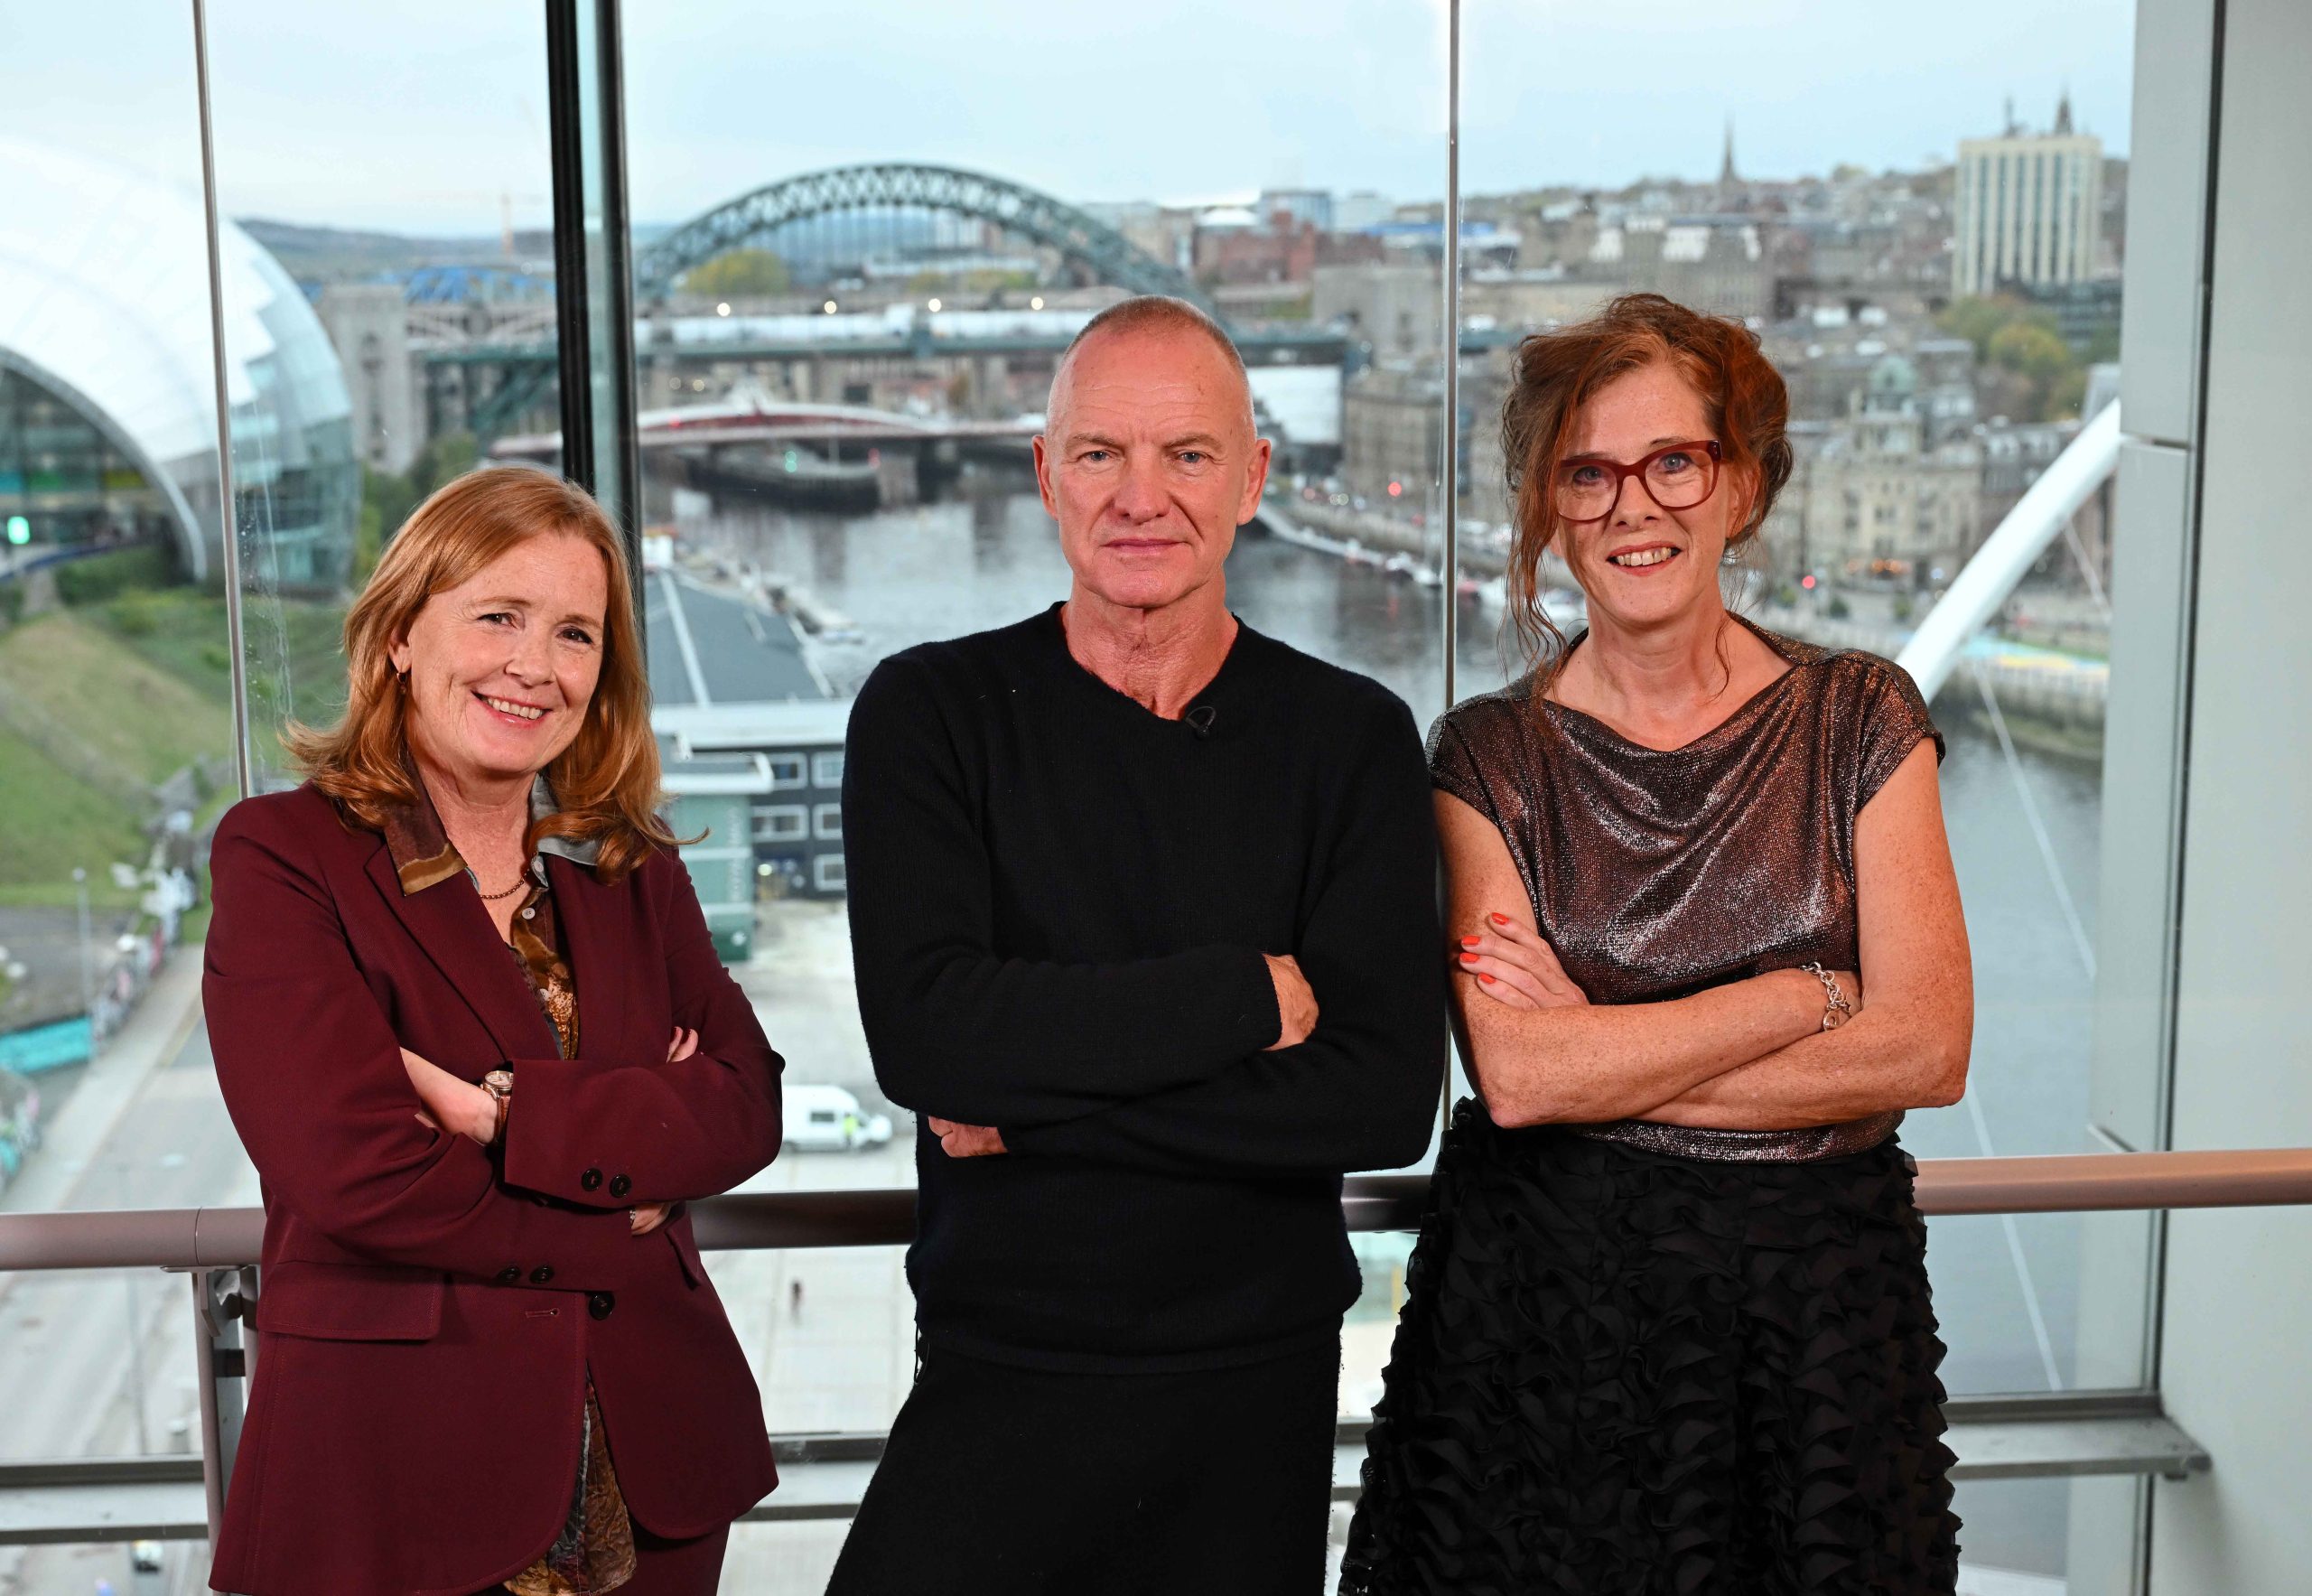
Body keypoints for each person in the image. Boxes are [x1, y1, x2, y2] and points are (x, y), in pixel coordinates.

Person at [1343, 294, 1972, 1594]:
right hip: (1548, 1325)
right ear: (1548, 509)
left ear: (1737, 481)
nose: (1634, 505)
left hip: (1819, 1339)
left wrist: (1605, 1042)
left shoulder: (1862, 713)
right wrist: (1808, 991)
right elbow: (1524, 1080)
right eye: (1588, 473)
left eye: (1672, 460)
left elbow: (1928, 1043)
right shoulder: (1485, 754)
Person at [827, 295, 1445, 1594]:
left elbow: (1387, 1098)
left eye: (1189, 454)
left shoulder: (1352, 737)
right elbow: (931, 1036)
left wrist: (1035, 1108)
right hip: (998, 1378)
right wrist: (1241, 995)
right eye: (1100, 453)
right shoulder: (931, 713)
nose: (1140, 495)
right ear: (1044, 473)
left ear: (1256, 478)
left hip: (1254, 1407)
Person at [202, 467, 784, 1596]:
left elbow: (742, 1101)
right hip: (395, 1471)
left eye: (575, 633)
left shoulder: (629, 863)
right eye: (498, 617)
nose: (536, 665)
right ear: (401, 637)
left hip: (650, 1470)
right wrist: (626, 1191)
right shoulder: (285, 858)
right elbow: (359, 1170)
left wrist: (506, 1118)